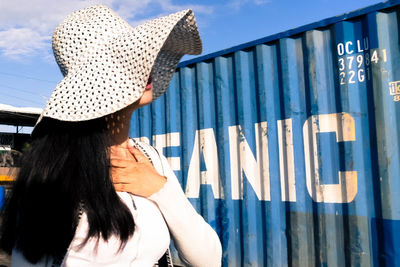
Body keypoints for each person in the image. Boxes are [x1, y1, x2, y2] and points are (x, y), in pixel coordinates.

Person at [0, 5, 222, 267]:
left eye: (139, 55)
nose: (144, 65)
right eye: (123, 61)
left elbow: (208, 260)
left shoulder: (151, 159)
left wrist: (161, 190)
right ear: (93, 83)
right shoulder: (57, 172)